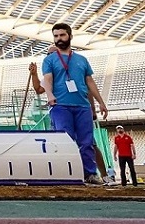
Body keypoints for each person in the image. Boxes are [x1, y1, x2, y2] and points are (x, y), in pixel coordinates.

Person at [41, 23, 109, 185]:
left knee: (87, 142)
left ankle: (90, 174)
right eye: (56, 36)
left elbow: (89, 81)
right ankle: (67, 173)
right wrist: (49, 95)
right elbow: (47, 80)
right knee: (66, 140)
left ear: (70, 36)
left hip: (82, 106)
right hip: (60, 106)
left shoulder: (81, 60)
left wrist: (100, 102)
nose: (59, 39)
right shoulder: (49, 60)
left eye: (62, 35)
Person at [29, 61, 111, 182]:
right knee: (62, 143)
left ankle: (102, 175)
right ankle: (65, 173)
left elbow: (87, 90)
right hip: (60, 112)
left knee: (89, 144)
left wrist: (93, 109)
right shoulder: (50, 75)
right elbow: (38, 89)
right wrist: (34, 74)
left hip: (79, 110)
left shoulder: (75, 70)